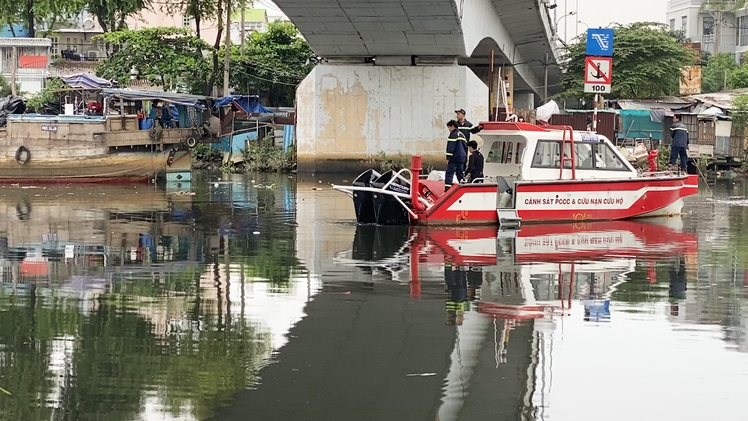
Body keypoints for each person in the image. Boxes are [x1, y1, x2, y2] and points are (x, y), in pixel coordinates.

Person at [445, 120, 467, 191]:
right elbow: (465, 146)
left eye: (449, 127)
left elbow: (450, 147)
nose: (449, 129)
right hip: (462, 157)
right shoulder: (462, 134)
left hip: (454, 157)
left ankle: (447, 189)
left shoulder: (453, 134)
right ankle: (463, 188)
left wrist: (448, 158)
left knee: (449, 173)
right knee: (459, 173)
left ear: (453, 126)